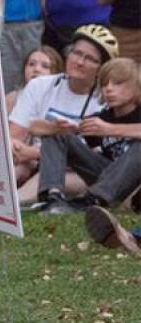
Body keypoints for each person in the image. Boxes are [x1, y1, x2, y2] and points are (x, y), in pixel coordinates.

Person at [11, 26, 113, 204]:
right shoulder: (39, 86)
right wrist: (23, 153)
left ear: (102, 68)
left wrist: (34, 153)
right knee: (16, 166)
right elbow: (14, 136)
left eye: (90, 59)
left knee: (48, 173)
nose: (79, 62)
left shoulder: (106, 100)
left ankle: (13, 202)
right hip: (33, 160)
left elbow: (88, 159)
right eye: (76, 53)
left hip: (77, 171)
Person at [36, 56, 141, 215]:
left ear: (137, 87)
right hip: (106, 178)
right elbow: (33, 127)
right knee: (58, 134)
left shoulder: (108, 123)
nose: (109, 89)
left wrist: (110, 129)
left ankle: (94, 199)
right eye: (104, 84)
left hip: (135, 186)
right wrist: (59, 127)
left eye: (117, 83)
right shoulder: (101, 117)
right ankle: (52, 198)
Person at [6, 46, 64, 186]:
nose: (36, 69)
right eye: (31, 64)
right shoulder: (13, 97)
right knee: (15, 169)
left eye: (45, 66)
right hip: (18, 153)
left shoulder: (60, 101)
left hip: (45, 156)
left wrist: (30, 152)